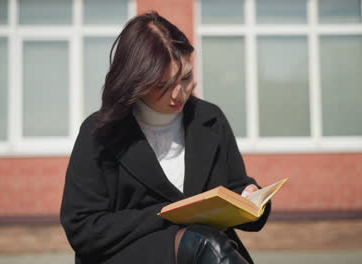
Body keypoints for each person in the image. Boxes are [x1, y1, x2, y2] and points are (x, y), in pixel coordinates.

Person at [60, 11, 271, 264]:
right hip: (129, 257)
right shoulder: (100, 132)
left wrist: (250, 197)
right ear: (135, 81)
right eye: (163, 85)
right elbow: (84, 229)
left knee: (207, 245)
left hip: (212, 254)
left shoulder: (210, 119)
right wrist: (168, 216)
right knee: (202, 243)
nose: (178, 94)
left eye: (186, 78)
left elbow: (235, 186)